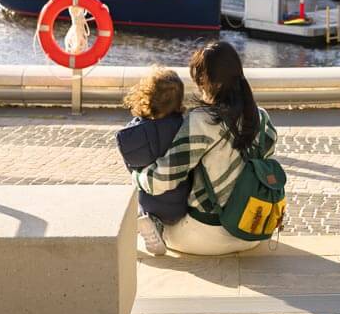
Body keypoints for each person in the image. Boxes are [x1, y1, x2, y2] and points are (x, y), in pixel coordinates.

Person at [133, 42, 277, 256]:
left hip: (207, 235)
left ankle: (154, 224)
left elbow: (162, 179)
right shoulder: (262, 117)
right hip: (252, 231)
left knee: (144, 190)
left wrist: (138, 177)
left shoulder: (203, 120)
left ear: (205, 80)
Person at [116, 67, 191, 256]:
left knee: (137, 176)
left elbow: (131, 163)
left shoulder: (137, 133)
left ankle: (146, 221)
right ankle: (153, 224)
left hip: (149, 199)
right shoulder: (184, 126)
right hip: (182, 202)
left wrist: (139, 119)